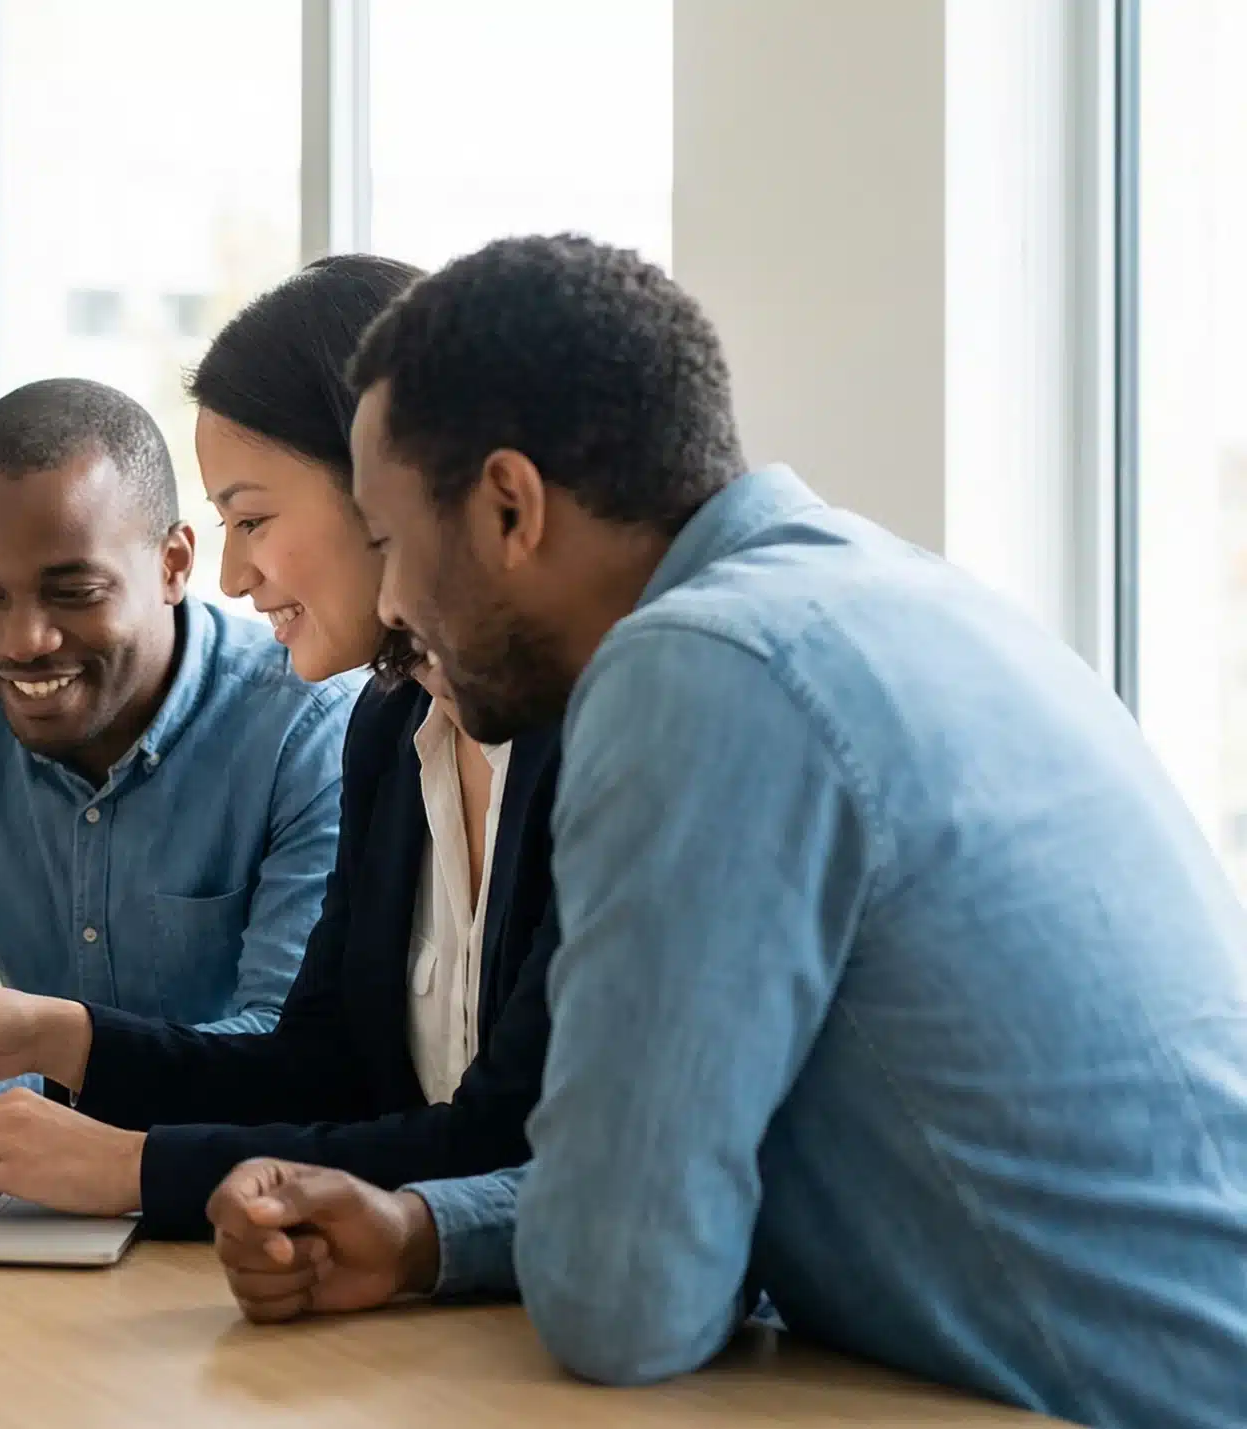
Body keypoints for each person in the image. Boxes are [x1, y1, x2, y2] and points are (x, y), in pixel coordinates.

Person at [200, 234, 1247, 1429]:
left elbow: (624, 1301)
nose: (388, 602)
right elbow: (672, 1199)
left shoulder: (696, 669)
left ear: (508, 505)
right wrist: (430, 1233)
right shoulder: (879, 592)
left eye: (388, 541)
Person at [0, 256, 568, 1237]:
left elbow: (498, 1141)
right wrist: (49, 1036)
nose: (236, 572)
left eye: (253, 518)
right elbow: (324, 1063)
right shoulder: (389, 728)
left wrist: (134, 1165)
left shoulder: (529, 741)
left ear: (386, 496)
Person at [0, 376, 360, 1146]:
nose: (22, 641)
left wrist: (0, 1089)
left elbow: (286, 1060)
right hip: (25, 1209)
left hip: (224, 1213)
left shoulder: (308, 725)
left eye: (73, 591)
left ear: (175, 563)